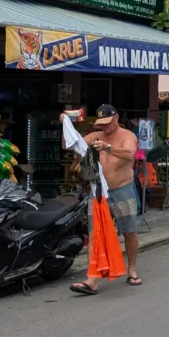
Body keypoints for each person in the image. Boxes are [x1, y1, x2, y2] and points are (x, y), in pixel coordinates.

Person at [63, 104, 141, 293]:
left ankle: (132, 269)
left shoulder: (127, 136)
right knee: (94, 235)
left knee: (129, 231)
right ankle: (92, 279)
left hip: (122, 189)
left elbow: (130, 154)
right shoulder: (94, 136)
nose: (104, 127)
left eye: (107, 123)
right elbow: (68, 145)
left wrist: (107, 147)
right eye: (101, 124)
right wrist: (65, 124)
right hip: (98, 191)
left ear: (115, 118)